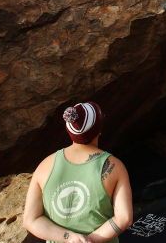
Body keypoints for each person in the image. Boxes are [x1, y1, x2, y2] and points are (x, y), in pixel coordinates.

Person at [23, 102, 133, 243]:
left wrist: (69, 238)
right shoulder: (115, 166)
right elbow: (124, 218)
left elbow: (31, 220)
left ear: (69, 131)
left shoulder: (45, 166)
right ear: (99, 129)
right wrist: (88, 240)